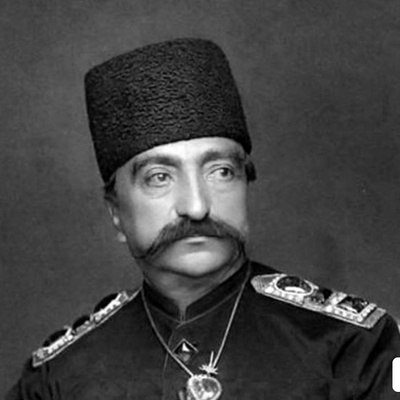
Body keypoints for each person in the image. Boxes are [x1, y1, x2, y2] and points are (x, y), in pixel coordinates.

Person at [7, 38, 400, 400]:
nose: (196, 207)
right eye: (159, 177)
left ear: (246, 182)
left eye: (221, 172)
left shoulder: (354, 347)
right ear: (115, 213)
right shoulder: (57, 378)